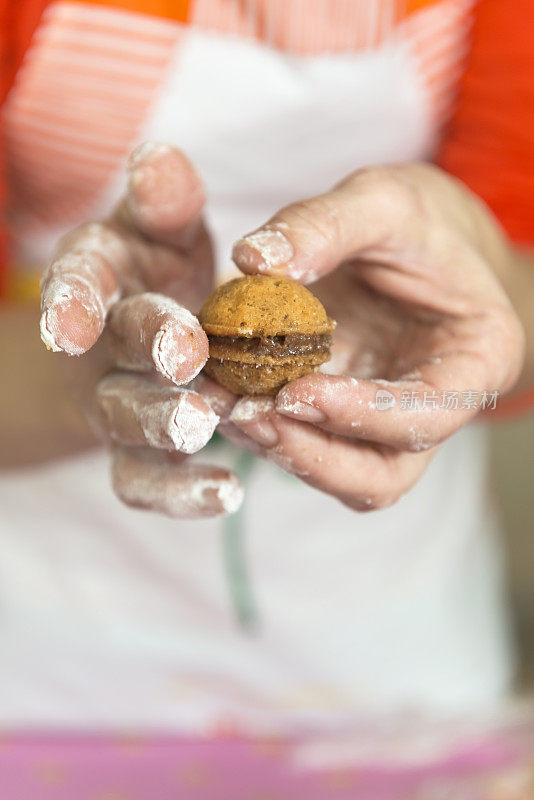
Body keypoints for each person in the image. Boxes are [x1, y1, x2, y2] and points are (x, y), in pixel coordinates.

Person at [1, 0, 534, 740]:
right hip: (55, 649)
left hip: (390, 643)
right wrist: (82, 372)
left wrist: (483, 276)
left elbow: (524, 293)